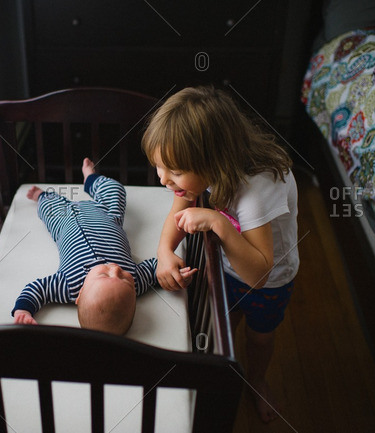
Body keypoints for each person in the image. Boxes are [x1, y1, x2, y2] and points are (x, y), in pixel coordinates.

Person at [142, 86, 299, 423]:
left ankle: (256, 381)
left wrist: (217, 223)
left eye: (174, 171)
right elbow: (179, 207)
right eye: (159, 168)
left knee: (259, 337)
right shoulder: (203, 170)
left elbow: (259, 275)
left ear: (213, 160)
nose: (163, 180)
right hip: (227, 268)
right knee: (226, 325)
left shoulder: (256, 192)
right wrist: (164, 250)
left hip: (269, 280)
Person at [12, 158, 174, 335]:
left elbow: (36, 289)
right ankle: (90, 179)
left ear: (80, 295)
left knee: (49, 209)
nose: (114, 269)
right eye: (123, 278)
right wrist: (172, 271)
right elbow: (155, 269)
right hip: (108, 216)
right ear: (134, 294)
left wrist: (23, 310)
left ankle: (41, 196)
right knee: (115, 190)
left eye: (104, 275)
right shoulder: (136, 280)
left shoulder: (67, 285)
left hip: (65, 223)